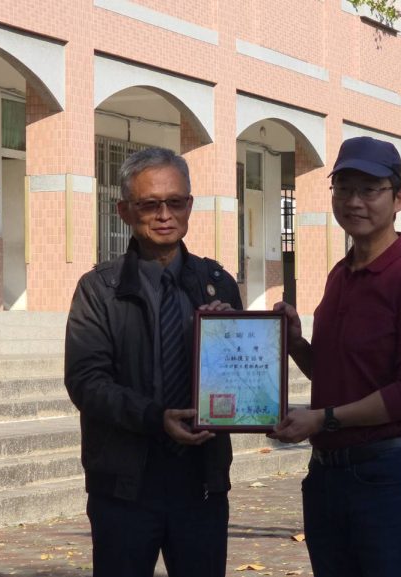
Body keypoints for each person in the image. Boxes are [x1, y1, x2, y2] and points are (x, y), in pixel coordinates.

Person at [271, 136, 401, 577]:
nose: (354, 202)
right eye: (344, 188)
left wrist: (322, 419)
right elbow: (336, 375)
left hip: (388, 478)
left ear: (398, 199)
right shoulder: (341, 274)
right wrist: (296, 344)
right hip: (326, 478)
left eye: (369, 190)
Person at [64, 146, 242, 577]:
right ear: (125, 211)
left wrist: (228, 339)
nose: (165, 215)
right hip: (124, 486)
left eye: (175, 202)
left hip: (201, 483)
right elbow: (86, 382)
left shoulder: (218, 285)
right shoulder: (99, 290)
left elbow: (240, 381)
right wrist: (155, 417)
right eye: (149, 204)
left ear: (189, 206)